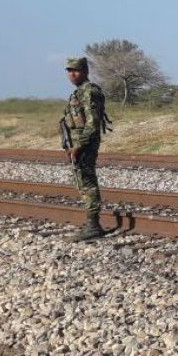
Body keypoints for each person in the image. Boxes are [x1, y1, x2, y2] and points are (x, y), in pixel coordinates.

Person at [62, 57, 110, 240]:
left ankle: (93, 226)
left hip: (85, 145)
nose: (72, 74)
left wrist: (79, 145)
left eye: (76, 70)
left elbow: (92, 122)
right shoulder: (78, 92)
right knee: (82, 181)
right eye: (69, 71)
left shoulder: (89, 91)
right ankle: (91, 223)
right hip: (78, 145)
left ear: (85, 71)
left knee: (87, 183)